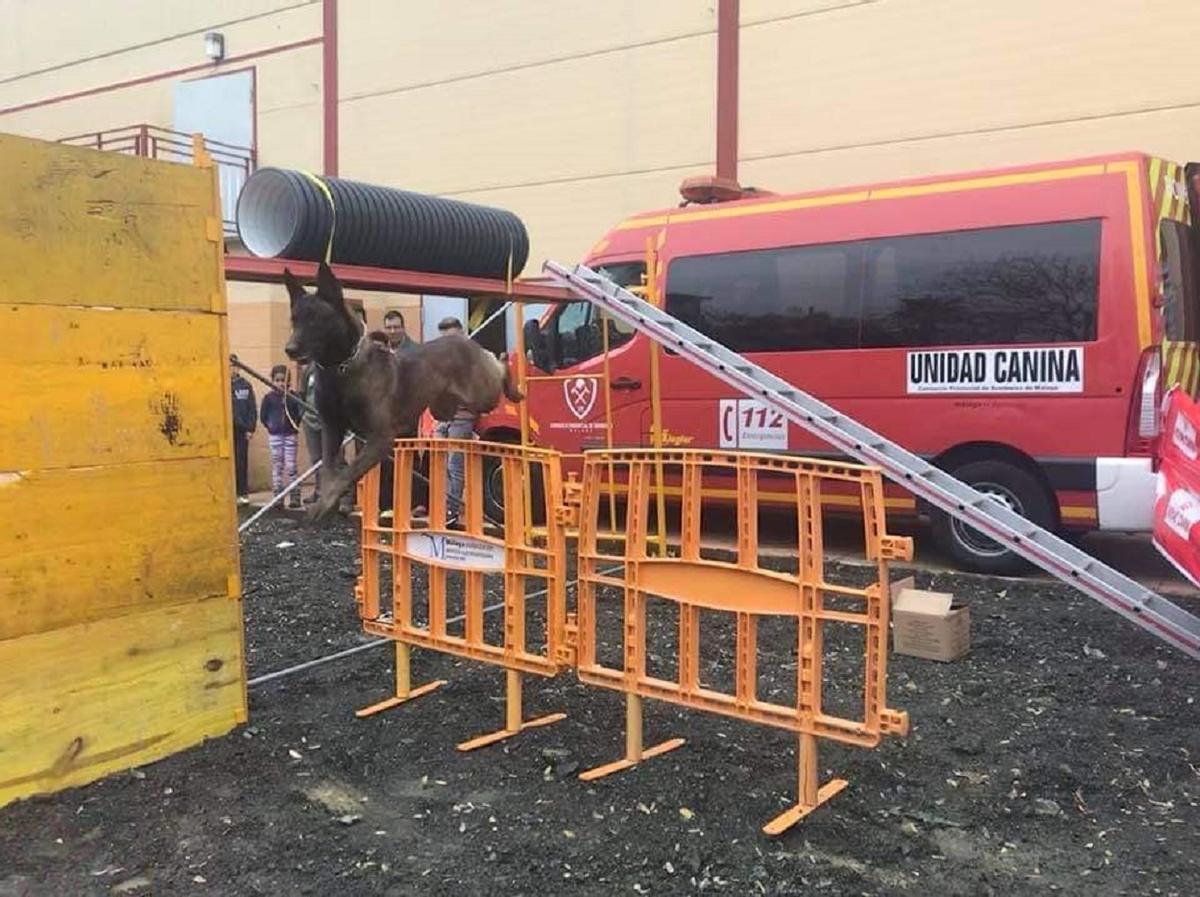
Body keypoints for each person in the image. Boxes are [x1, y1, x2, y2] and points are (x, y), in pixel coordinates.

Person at [434, 316, 475, 528]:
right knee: (439, 465)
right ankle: (441, 507)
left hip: (462, 417)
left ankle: (451, 510)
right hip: (442, 417)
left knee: (454, 465)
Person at [260, 364, 305, 510]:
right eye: (277, 380)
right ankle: (278, 497)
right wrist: (271, 426)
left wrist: (294, 426)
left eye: (282, 380)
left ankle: (295, 496)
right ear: (272, 381)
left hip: (290, 435)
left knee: (291, 466)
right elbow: (263, 416)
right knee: (277, 466)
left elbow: (299, 413)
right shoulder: (268, 398)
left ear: (288, 382)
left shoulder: (293, 397)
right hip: (275, 436)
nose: (280, 383)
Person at [230, 356, 256, 505]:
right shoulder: (220, 384)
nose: (231, 369)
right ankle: (231, 492)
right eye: (229, 366)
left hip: (241, 430)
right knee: (228, 463)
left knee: (241, 461)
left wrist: (250, 428)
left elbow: (252, 408)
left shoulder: (245, 386)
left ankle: (242, 493)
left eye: (234, 366)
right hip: (226, 431)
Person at [298, 362, 323, 505]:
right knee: (316, 459)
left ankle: (343, 497)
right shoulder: (310, 369)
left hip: (330, 421)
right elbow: (302, 393)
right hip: (310, 420)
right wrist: (303, 414)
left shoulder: (336, 366)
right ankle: (319, 492)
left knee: (335, 459)